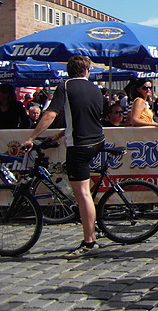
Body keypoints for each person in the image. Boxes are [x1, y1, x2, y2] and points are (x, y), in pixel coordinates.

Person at [20, 55, 105, 259]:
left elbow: (50, 114)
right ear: (86, 70)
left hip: (80, 145)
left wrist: (32, 137)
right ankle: (91, 224)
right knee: (84, 193)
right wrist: (59, 135)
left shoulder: (65, 86)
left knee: (83, 194)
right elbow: (82, 118)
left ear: (70, 71)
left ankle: (89, 241)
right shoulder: (95, 89)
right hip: (97, 141)